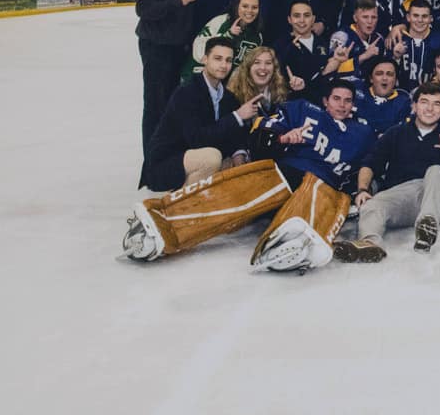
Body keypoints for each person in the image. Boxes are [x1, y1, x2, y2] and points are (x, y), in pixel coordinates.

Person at [122, 82, 376, 273]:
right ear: (325, 101)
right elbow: (262, 133)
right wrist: (283, 138)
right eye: (336, 99)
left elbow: (367, 166)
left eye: (347, 100)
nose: (341, 105)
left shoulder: (363, 133)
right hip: (286, 171)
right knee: (236, 196)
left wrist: (360, 191)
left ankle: (294, 245)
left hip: (324, 184)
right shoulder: (301, 109)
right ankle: (163, 224)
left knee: (318, 201)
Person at [333, 82, 440, 262]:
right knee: (372, 205)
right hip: (404, 197)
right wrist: (362, 189)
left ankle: (427, 226)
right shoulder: (396, 133)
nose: (430, 109)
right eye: (424, 102)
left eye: (436, 104)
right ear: (414, 106)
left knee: (436, 170)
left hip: (438, 198)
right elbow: (370, 163)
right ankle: (370, 245)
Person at [139, 37, 260, 192]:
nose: (223, 65)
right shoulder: (187, 92)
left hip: (195, 158)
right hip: (166, 162)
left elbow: (232, 134)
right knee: (212, 158)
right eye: (218, 59)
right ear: (204, 59)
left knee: (232, 163)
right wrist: (237, 116)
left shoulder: (228, 97)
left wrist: (239, 154)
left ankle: (206, 207)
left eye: (228, 60)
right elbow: (197, 139)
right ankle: (177, 207)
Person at [136, 0, 202, 156]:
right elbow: (143, 8)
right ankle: (152, 161)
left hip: (178, 48)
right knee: (156, 105)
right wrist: (179, 1)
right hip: (157, 48)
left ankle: (167, 155)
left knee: (172, 105)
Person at [273, 0, 350, 101]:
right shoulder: (281, 44)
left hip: (323, 104)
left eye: (306, 15)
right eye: (296, 16)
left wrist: (338, 62)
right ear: (289, 19)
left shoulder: (323, 43)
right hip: (295, 104)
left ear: (313, 19)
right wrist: (324, 71)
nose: (302, 20)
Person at [181, 0, 263, 80]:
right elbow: (198, 52)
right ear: (236, 6)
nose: (250, 11)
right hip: (197, 77)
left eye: (254, 7)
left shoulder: (257, 36)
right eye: (245, 6)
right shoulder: (221, 21)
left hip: (226, 84)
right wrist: (228, 35)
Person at [391, 0, 440, 91]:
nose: (420, 20)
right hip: (399, 95)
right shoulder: (396, 38)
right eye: (415, 15)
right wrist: (396, 57)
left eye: (424, 16)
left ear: (430, 19)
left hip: (430, 95)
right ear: (408, 17)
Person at [226, 45, 290, 123]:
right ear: (248, 68)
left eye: (268, 63)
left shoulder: (282, 92)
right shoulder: (233, 96)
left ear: (274, 68)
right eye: (257, 62)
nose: (263, 67)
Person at [352, 56, 413, 138]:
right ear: (371, 78)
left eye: (390, 74)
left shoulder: (404, 103)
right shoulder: (357, 91)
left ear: (395, 80)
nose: (384, 78)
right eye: (379, 74)